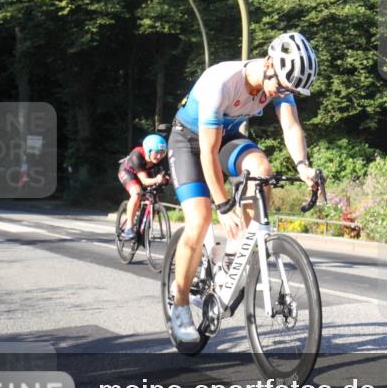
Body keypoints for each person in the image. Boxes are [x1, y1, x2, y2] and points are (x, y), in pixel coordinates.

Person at [168, 32, 320, 342]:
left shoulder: (280, 84)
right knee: (200, 221)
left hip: (225, 136)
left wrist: (303, 166)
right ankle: (180, 304)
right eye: (281, 86)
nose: (282, 93)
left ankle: (234, 252)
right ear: (268, 65)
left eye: (288, 90)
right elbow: (207, 153)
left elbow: (290, 126)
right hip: (188, 141)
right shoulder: (222, 82)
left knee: (262, 170)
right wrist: (223, 206)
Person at [117, 134, 169, 240]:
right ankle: (129, 228)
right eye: (157, 152)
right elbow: (145, 181)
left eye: (162, 153)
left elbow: (168, 175)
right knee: (136, 193)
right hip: (128, 172)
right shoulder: (137, 155)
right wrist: (157, 179)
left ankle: (144, 228)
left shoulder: (161, 158)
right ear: (148, 150)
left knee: (154, 198)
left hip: (145, 172)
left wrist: (167, 179)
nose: (159, 156)